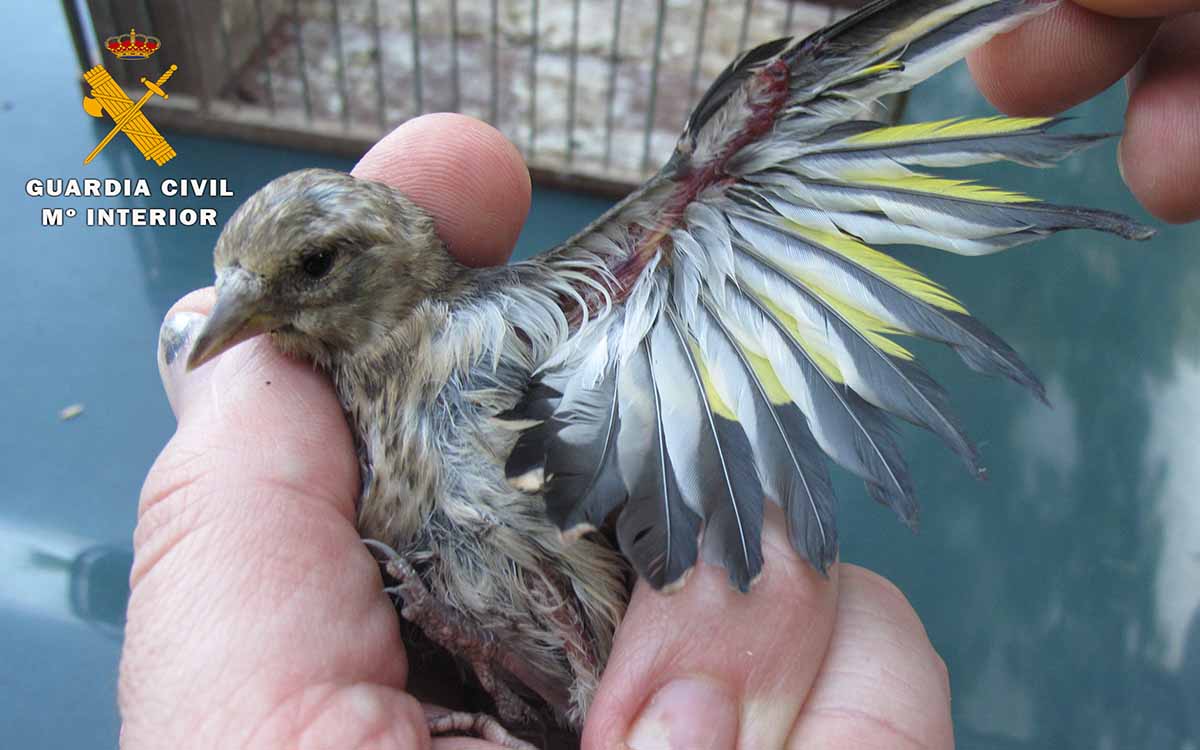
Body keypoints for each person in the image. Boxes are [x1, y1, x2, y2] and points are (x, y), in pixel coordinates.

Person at [122, 3, 1198, 748]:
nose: (238, 321)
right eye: (236, 287)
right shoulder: (303, 408)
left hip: (590, 662)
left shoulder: (521, 327)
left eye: (306, 273)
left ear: (381, 264)